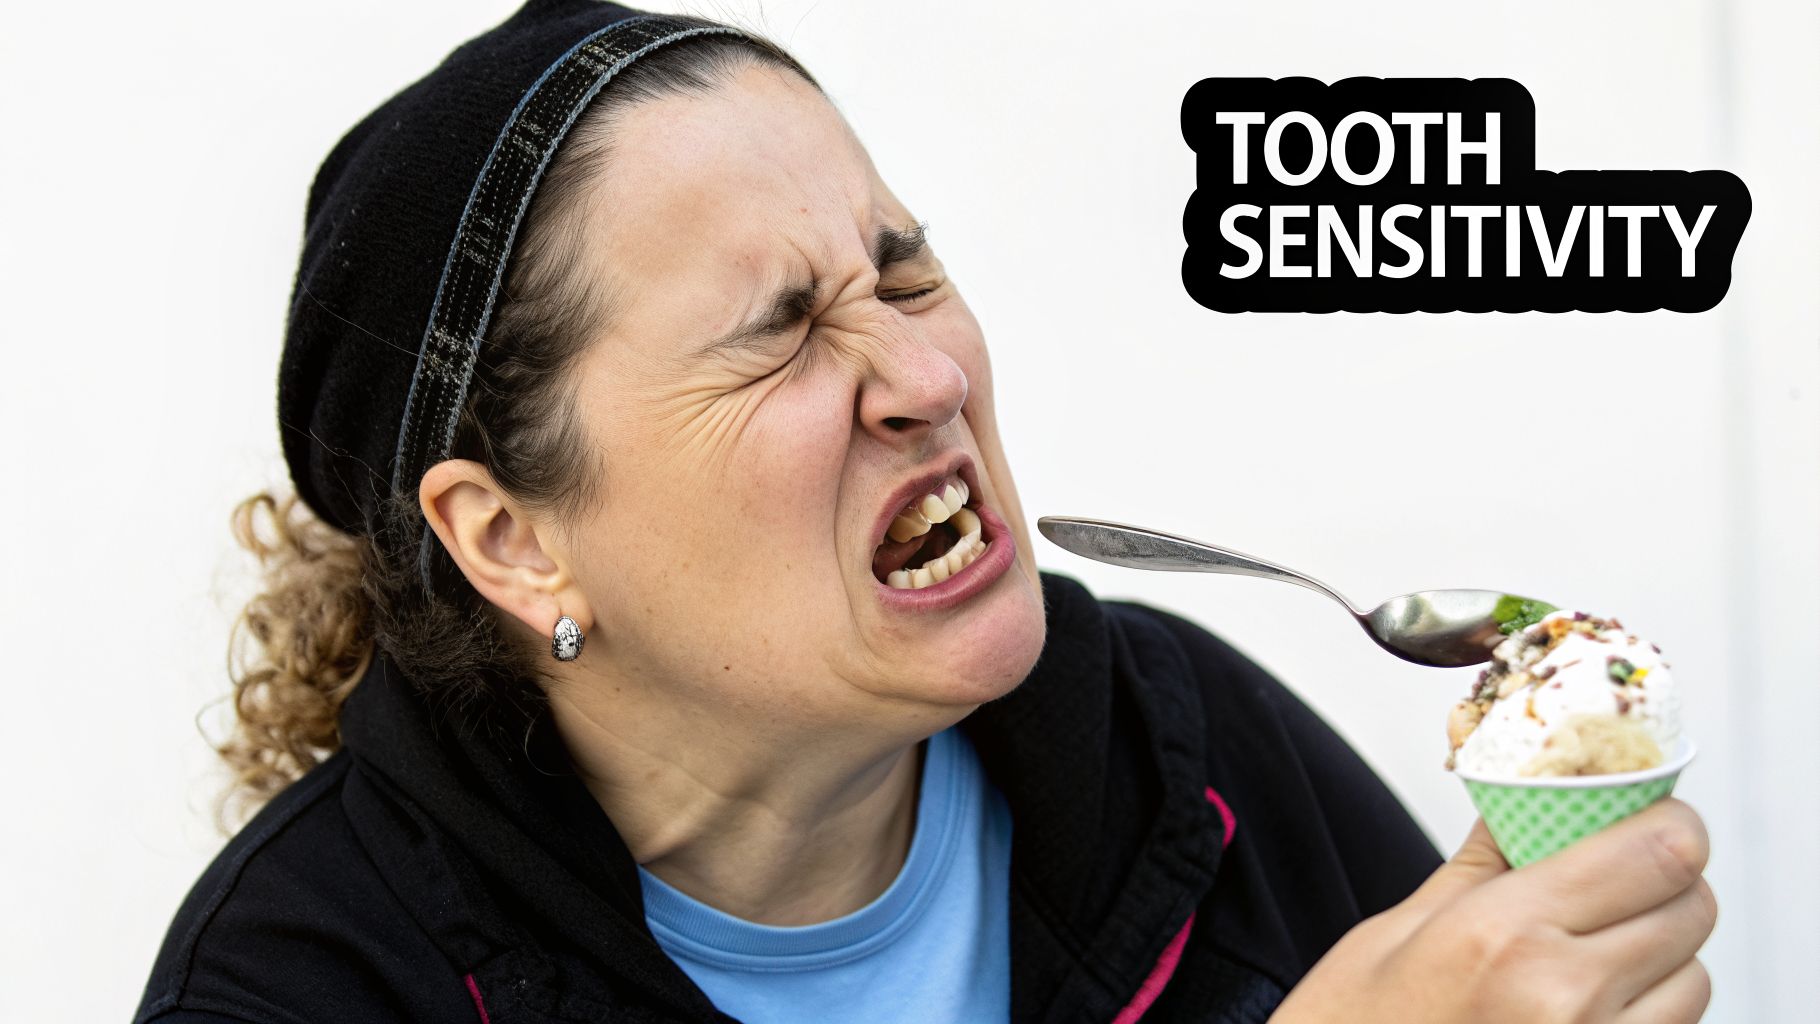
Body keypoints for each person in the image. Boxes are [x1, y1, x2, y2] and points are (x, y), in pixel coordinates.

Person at [133, 3, 1716, 1022]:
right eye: (778, 328)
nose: (922, 370)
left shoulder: (1184, 755)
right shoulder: (302, 986)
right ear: (513, 538)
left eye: (903, 270)